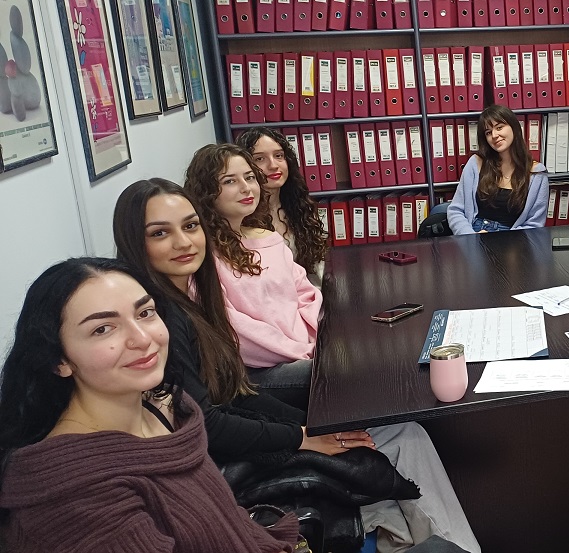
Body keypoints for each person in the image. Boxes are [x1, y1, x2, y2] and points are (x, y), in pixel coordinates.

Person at [114, 178, 482, 553]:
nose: (183, 242)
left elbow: (236, 392)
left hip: (247, 437)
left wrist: (310, 428)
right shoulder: (160, 318)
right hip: (231, 465)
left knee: (389, 438)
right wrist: (302, 437)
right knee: (404, 437)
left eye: (190, 226)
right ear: (134, 242)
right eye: (160, 233)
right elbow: (206, 423)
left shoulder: (193, 299)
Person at [0, 257, 298, 552]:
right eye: (102, 329)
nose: (142, 339)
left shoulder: (168, 407)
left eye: (145, 313)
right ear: (59, 361)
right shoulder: (74, 492)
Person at [184, 143, 318, 410]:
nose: (246, 188)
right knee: (347, 374)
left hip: (305, 351)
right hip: (257, 372)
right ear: (206, 192)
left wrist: (315, 341)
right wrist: (302, 352)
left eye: (249, 177)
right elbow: (235, 330)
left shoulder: (269, 239)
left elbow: (306, 294)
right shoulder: (203, 255)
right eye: (229, 181)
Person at [236, 128, 330, 286]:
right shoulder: (241, 219)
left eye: (278, 156)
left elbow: (315, 268)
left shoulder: (299, 207)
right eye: (260, 159)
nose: (273, 165)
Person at [447, 104, 550, 234]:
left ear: (514, 127)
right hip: (473, 233)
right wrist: (471, 237)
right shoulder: (475, 163)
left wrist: (502, 242)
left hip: (513, 238)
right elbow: (456, 210)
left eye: (499, 127)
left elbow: (534, 224)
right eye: (488, 132)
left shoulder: (536, 173)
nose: (494, 135)